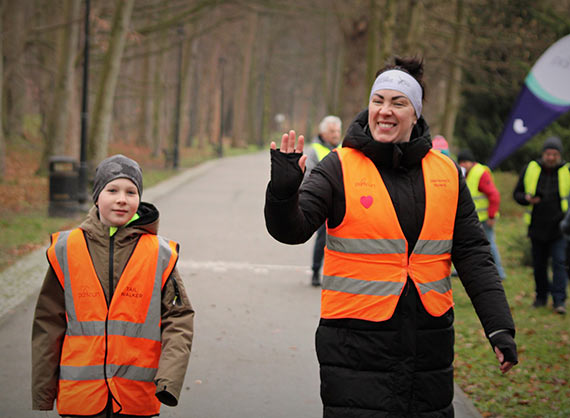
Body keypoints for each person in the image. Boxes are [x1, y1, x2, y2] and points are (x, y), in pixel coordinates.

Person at [264, 56, 517, 417]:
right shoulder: (339, 166)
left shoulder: (446, 173)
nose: (385, 111)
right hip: (353, 350)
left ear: (415, 113)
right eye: (378, 101)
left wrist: (499, 327)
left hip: (428, 348)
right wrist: (283, 192)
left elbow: (474, 254)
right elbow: (291, 230)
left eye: (398, 102)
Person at [32, 154, 195, 417]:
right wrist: (43, 391)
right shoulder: (66, 249)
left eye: (131, 191)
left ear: (139, 199)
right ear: (97, 196)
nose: (122, 199)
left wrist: (169, 380)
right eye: (112, 190)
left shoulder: (160, 254)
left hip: (136, 398)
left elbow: (179, 320)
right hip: (80, 398)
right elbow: (49, 323)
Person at [513, 136, 569, 314]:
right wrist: (526, 199)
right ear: (543, 154)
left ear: (559, 155)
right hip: (536, 226)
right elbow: (517, 194)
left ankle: (559, 301)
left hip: (560, 227)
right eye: (548, 153)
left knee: (560, 263)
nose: (551, 157)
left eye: (554, 154)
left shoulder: (567, 170)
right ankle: (541, 297)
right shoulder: (531, 168)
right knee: (539, 265)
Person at [305, 115, 342, 286]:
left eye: (337, 131)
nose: (336, 134)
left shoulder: (344, 149)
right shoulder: (314, 151)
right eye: (332, 131)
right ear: (323, 133)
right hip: (323, 202)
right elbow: (309, 175)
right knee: (322, 237)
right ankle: (315, 270)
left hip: (341, 202)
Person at [457, 149, 506, 280]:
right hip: (472, 218)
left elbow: (494, 196)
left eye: (464, 162)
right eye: (460, 163)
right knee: (468, 244)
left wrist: (491, 216)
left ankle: (500, 272)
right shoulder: (467, 173)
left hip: (484, 219)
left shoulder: (480, 173)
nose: (462, 165)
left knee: (490, 244)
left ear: (470, 162)